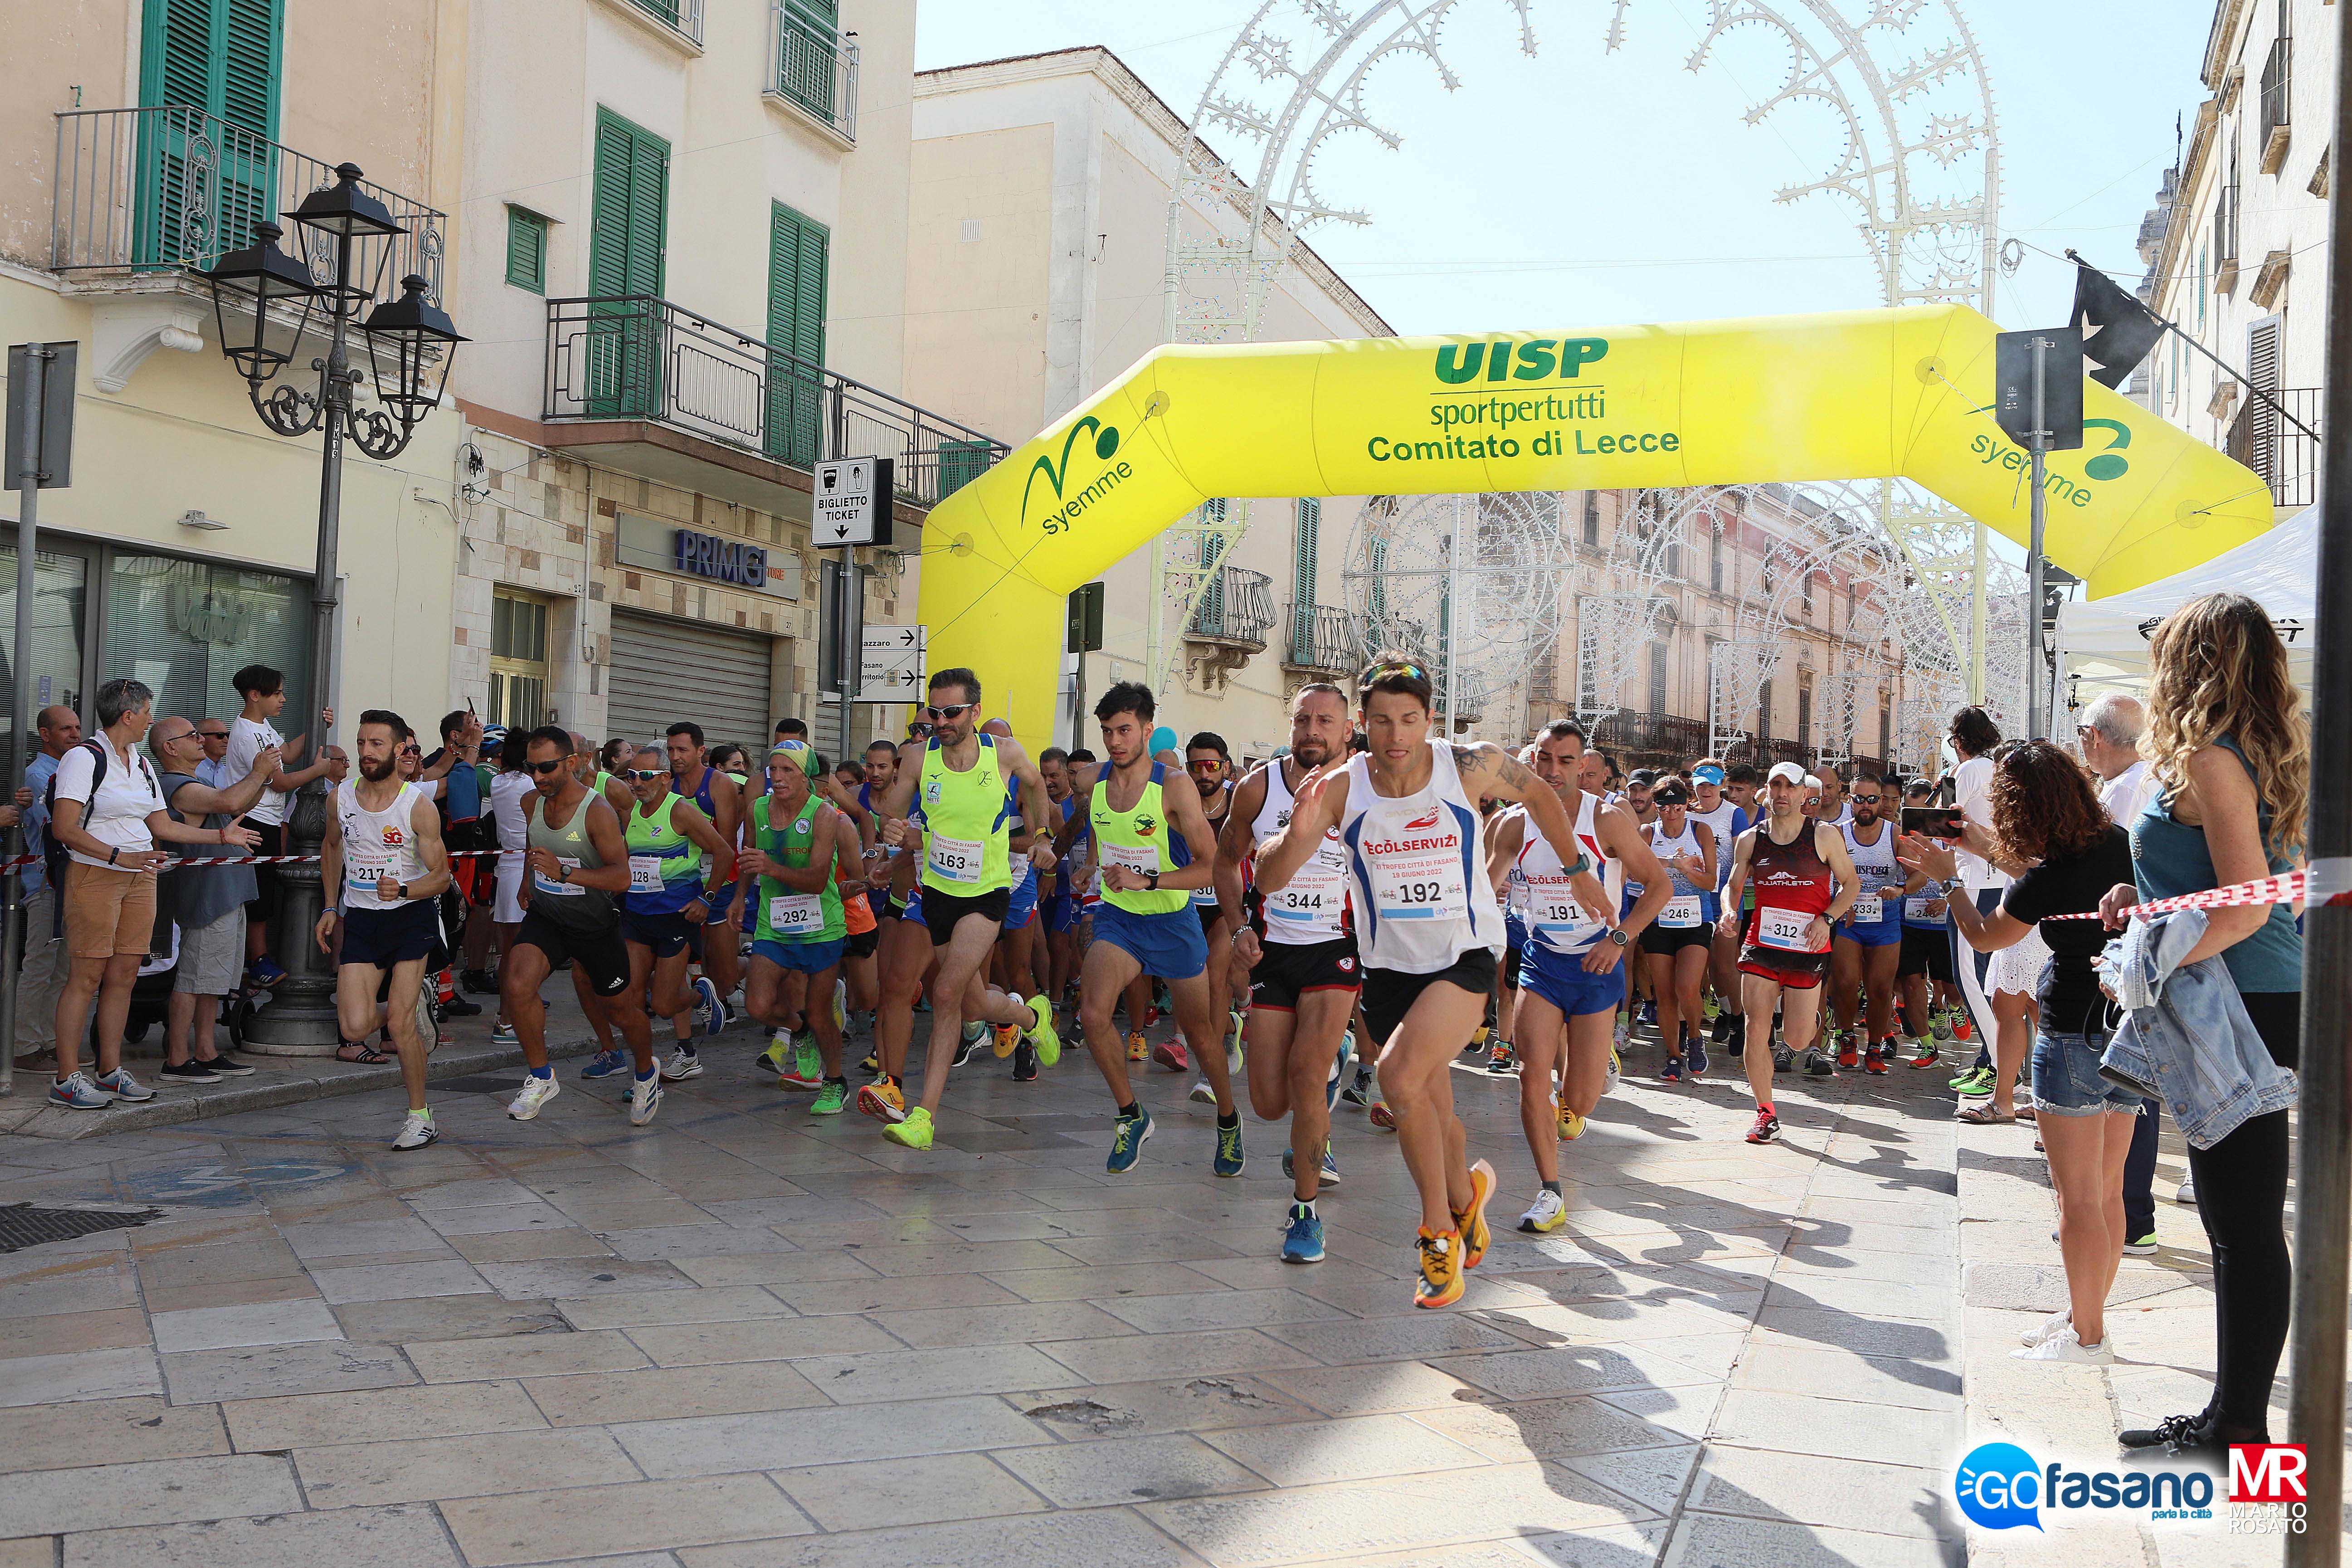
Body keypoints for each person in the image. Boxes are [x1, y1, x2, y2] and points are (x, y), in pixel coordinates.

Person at [1257, 657, 1606, 1306]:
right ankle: (1465, 1197)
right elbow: (1270, 878)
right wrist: (1290, 830)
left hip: (1462, 955)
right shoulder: (1339, 786)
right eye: (1383, 720)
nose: (1397, 735)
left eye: (1410, 719)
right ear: (1362, 723)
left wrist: (1577, 867)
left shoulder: (1468, 765)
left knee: (1396, 1079)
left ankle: (1437, 1237)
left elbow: (1536, 793)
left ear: (1429, 719)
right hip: (1388, 969)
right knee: (1436, 1112)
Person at [2099, 593, 2305, 1454]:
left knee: (2243, 1222)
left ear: (2191, 663)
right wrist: (2140, 902)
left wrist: (2153, 958)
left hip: (2238, 1000)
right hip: (2246, 995)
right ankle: (2233, 1414)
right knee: (2236, 1218)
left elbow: (2248, 905)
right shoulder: (2245, 754)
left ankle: (2243, 1428)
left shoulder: (2215, 760)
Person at [1901, 741, 2135, 1366]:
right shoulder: (2115, 843)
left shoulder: (2046, 878)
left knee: (2074, 1201)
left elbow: (1985, 933)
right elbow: (2038, 870)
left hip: (2067, 1037)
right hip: (2124, 1032)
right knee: (2107, 1194)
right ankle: (2085, 1313)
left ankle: (2087, 1337)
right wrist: (1978, 848)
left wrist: (1950, 880)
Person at [865, 668, 1059, 1149]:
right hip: (938, 895)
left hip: (988, 893)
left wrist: (1042, 837)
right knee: (974, 1002)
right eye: (935, 711)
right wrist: (892, 829)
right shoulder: (917, 756)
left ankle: (923, 1116)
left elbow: (1039, 789)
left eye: (952, 712)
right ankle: (1031, 1017)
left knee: (947, 991)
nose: (942, 720)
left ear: (974, 711)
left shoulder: (1004, 754)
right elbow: (891, 811)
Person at [1052, 682, 1240, 1174]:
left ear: (1148, 730)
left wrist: (1149, 878)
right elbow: (1091, 825)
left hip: (1173, 920)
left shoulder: (1173, 786)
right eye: (1108, 731)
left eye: (1125, 730)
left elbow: (1213, 866)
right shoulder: (1093, 782)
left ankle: (1228, 1118)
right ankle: (1132, 1115)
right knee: (1093, 1014)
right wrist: (1078, 860)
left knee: (1200, 1036)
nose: (1115, 741)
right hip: (1119, 917)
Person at [1486, 721, 1668, 1230]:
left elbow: (1657, 886)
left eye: (1566, 762)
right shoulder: (1513, 824)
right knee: (1530, 1075)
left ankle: (1590, 1076)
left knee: (1579, 1100)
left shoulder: (1606, 820)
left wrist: (1619, 939)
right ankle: (1550, 1191)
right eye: (1544, 759)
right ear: (1531, 762)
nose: (1553, 770)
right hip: (1543, 960)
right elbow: (1485, 883)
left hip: (1596, 963)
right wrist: (1489, 896)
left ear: (1585, 767)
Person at [47, 679, 259, 1108]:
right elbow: (64, 828)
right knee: (86, 977)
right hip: (96, 875)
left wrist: (221, 838)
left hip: (140, 876)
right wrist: (118, 855)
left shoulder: (140, 764)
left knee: (124, 976)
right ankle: (66, 1077)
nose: (150, 718)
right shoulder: (83, 759)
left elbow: (161, 826)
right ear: (128, 715)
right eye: (147, 711)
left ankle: (109, 1072)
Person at [1216, 683, 1360, 1262]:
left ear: (1347, 730)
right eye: (1304, 719)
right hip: (1273, 952)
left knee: (1304, 1074)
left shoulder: (1367, 788)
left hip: (1336, 949)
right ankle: (1329, 1072)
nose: (1312, 731)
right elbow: (1225, 859)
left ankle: (1304, 1213)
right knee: (1271, 1103)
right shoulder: (1259, 786)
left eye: (1326, 720)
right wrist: (1236, 928)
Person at [502, 726, 657, 1126]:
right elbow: (534, 848)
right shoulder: (529, 802)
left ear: (571, 763)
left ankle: (646, 1071)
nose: (538, 777)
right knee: (517, 986)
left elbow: (621, 878)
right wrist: (527, 880)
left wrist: (565, 871)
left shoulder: (598, 812)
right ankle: (541, 1077)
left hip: (594, 925)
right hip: (548, 916)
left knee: (622, 1013)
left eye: (547, 768)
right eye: (530, 768)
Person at [312, 712, 453, 1149]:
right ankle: (413, 1009)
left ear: (398, 750)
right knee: (355, 1029)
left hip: (409, 918)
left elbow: (443, 875)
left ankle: (419, 1116)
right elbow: (332, 846)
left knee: (397, 1024)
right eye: (361, 743)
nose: (365, 753)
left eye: (376, 744)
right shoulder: (340, 797)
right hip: (361, 917)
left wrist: (406, 888)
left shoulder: (417, 805)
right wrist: (331, 907)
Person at [1717, 761, 1860, 1144]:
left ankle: (1814, 1015)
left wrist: (1826, 920)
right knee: (1755, 1026)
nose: (1781, 794)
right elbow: (1732, 885)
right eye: (1774, 786)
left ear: (1802, 794)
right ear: (1767, 791)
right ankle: (1765, 1113)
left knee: (1797, 1039)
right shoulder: (1750, 838)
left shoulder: (1825, 836)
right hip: (1761, 944)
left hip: (1807, 946)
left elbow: (1850, 884)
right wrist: (1729, 912)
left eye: (1789, 787)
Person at [2076, 693, 2167, 1235]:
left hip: (2123, 958)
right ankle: (2128, 1213)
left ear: (2098, 736)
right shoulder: (2131, 785)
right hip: (2129, 955)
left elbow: (2109, 872)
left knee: (2128, 1084)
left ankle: (2130, 1215)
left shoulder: (2129, 790)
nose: (2082, 739)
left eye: (2083, 729)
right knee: (2131, 1082)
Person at [149, 715, 278, 1083]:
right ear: (170, 748)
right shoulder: (176, 784)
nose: (201, 740)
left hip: (226, 891)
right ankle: (177, 1058)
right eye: (192, 736)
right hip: (207, 894)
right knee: (193, 978)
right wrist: (258, 770)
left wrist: (264, 777)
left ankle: (205, 1051)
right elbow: (228, 800)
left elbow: (238, 807)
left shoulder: (196, 781)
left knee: (213, 980)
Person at [741, 744, 862, 1116]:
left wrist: (771, 868)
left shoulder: (826, 816)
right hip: (773, 925)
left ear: (806, 776)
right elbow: (748, 861)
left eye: (786, 771)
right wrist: (736, 901)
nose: (776, 778)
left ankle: (835, 1081)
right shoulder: (758, 809)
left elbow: (814, 880)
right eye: (772, 770)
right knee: (758, 1004)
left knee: (819, 1009)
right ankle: (800, 1033)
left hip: (820, 927)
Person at [606, 745, 734, 1087]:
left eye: (645, 776)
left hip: (676, 917)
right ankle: (644, 1076)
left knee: (663, 1004)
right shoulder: (630, 811)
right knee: (630, 1003)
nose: (636, 782)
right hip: (637, 915)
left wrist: (707, 899)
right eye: (631, 775)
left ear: (665, 778)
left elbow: (723, 852)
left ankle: (703, 997)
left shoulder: (681, 812)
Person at [225, 663, 335, 987]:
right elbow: (282, 782)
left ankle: (260, 955)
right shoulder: (245, 733)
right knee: (258, 895)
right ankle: (257, 958)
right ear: (254, 695)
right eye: (277, 694)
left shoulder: (265, 728)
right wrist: (319, 770)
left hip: (269, 819)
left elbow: (286, 753)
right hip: (254, 818)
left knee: (267, 892)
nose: (283, 699)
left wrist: (314, 727)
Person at [658, 723, 740, 1077]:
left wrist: (710, 892)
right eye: (671, 750)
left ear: (700, 752)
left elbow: (724, 847)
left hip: (718, 883)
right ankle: (686, 1051)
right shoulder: (666, 784)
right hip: (679, 885)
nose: (676, 757)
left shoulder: (719, 785)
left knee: (723, 974)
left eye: (683, 750)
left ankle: (756, 966)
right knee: (671, 966)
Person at [1826, 773, 1913, 1075]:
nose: (1865, 806)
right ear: (1849, 799)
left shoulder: (1893, 834)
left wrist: (1900, 889)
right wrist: (1838, 903)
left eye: (1872, 800)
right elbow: (1824, 877)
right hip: (1848, 921)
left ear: (1881, 801)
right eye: (1859, 799)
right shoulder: (1836, 834)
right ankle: (1846, 1038)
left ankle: (1874, 1046)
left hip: (1884, 921)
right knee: (1846, 983)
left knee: (1880, 989)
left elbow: (1920, 876)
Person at [1943, 706, 2005, 1096]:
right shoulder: (1995, 769)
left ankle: (1998, 1064)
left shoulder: (1967, 770)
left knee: (1972, 976)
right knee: (1982, 976)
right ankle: (1990, 1057)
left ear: (1959, 740)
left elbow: (1940, 820)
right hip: (1991, 879)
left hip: (1975, 883)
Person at [15, 704, 81, 1069]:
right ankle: (23, 1045)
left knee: (64, 969)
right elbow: (65, 826)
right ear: (45, 734)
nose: (75, 734)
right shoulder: (40, 774)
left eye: (77, 727)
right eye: (66, 729)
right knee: (40, 965)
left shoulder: (71, 770)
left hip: (71, 882)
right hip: (45, 883)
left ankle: (52, 1040)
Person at [1641, 779, 1717, 1081]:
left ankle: (1695, 1037)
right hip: (1658, 919)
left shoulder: (1700, 831)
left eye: (1677, 807)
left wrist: (1686, 870)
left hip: (1695, 919)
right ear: (1656, 808)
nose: (1671, 814)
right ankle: (1673, 1054)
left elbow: (1710, 882)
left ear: (1687, 805)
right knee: (1664, 994)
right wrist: (1673, 862)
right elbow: (1636, 869)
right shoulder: (1647, 832)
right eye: (1664, 807)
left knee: (1686, 986)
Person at [1895, 778, 1962, 1069]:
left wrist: (1948, 900)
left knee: (1951, 986)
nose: (1923, 817)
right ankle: (1927, 1047)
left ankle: (1956, 1009)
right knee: (1912, 983)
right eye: (1914, 811)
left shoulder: (1953, 837)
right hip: (1909, 921)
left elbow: (1971, 875)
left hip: (1944, 922)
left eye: (1928, 809)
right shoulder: (1902, 835)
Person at [193, 719, 232, 789]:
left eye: (228, 735)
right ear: (201, 738)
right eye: (220, 735)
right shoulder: (191, 770)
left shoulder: (228, 773)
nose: (226, 740)